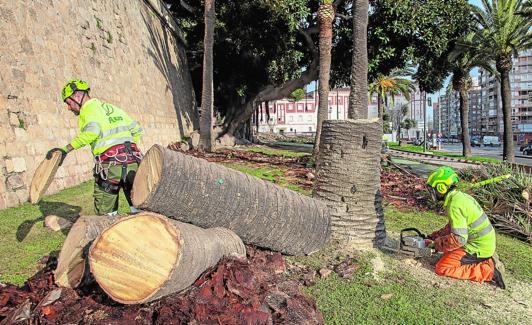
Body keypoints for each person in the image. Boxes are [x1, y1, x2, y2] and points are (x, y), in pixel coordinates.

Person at [46, 79, 143, 216]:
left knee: (106, 214)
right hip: (133, 163)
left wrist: (65, 149)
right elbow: (137, 130)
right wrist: (129, 151)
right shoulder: (113, 108)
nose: (69, 108)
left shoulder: (88, 110)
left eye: (69, 103)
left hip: (110, 167)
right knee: (140, 208)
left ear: (77, 96)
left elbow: (92, 133)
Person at [425, 166, 506, 289]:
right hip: (482, 243)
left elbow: (459, 239)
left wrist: (437, 244)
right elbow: (453, 227)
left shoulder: (454, 205)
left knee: (442, 268)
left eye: (433, 189)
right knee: (448, 253)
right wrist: (434, 236)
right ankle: (486, 258)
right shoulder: (459, 197)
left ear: (441, 188)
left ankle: (488, 270)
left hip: (477, 247)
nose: (432, 193)